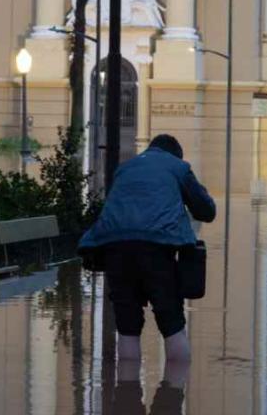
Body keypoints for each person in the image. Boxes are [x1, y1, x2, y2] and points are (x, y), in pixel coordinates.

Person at [79, 134, 216, 361]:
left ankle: (127, 388)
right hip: (157, 249)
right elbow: (207, 211)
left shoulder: (125, 168)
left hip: (115, 248)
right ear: (175, 154)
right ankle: (175, 387)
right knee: (171, 321)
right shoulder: (178, 167)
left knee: (127, 326)